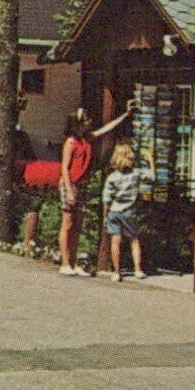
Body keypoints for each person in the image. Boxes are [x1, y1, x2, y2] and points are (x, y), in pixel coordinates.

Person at [58, 104, 130, 276]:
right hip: (71, 184)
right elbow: (64, 168)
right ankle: (65, 262)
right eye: (86, 120)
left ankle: (74, 262)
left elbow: (106, 129)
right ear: (78, 123)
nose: (89, 122)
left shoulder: (87, 139)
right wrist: (69, 190)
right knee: (67, 223)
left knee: (78, 224)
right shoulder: (70, 142)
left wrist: (125, 115)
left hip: (82, 184)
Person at [102, 141, 144, 282]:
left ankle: (117, 272)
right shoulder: (136, 175)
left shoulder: (112, 177)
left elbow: (106, 198)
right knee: (134, 239)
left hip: (114, 210)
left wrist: (105, 216)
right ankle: (138, 270)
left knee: (115, 241)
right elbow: (151, 177)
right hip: (129, 211)